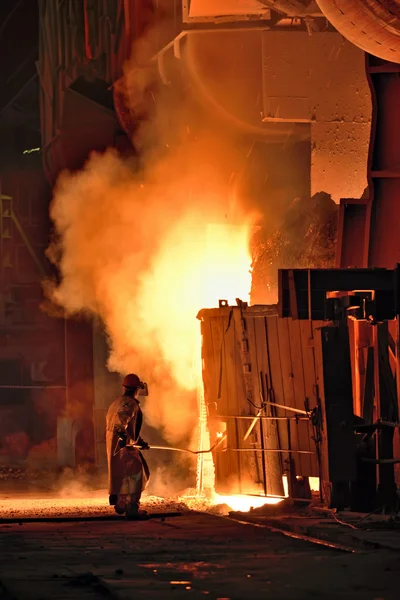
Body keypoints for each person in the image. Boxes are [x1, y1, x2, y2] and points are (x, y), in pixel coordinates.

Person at [106, 373, 150, 519]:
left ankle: (121, 504)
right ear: (136, 389)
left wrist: (139, 441)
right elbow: (122, 421)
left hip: (116, 445)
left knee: (122, 475)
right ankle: (132, 509)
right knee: (136, 475)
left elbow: (129, 427)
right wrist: (124, 438)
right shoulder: (130, 403)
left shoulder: (116, 401)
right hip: (123, 446)